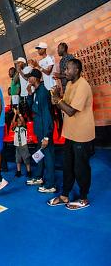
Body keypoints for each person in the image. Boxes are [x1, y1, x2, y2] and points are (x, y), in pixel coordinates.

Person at [48, 59, 95, 210]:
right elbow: (63, 105)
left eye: (68, 69)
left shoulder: (83, 86)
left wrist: (57, 99)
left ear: (77, 70)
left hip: (82, 134)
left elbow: (70, 111)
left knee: (81, 168)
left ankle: (83, 198)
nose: (65, 72)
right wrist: (56, 97)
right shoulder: (69, 84)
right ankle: (64, 195)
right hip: (70, 133)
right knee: (67, 166)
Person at [25, 68, 56, 193]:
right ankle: (39, 177)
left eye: (30, 77)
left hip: (45, 131)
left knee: (48, 157)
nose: (28, 79)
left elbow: (47, 115)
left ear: (36, 78)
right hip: (39, 131)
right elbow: (31, 108)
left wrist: (47, 136)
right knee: (40, 155)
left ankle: (51, 185)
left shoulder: (43, 92)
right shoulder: (36, 92)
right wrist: (29, 94)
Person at [11, 108, 32, 178]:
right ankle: (18, 171)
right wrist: (15, 114)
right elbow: (13, 122)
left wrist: (19, 114)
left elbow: (23, 121)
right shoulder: (15, 128)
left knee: (26, 159)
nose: (19, 122)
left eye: (20, 121)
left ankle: (29, 171)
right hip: (17, 146)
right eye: (18, 121)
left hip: (24, 145)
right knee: (18, 159)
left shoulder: (24, 127)